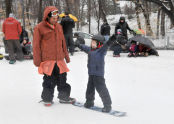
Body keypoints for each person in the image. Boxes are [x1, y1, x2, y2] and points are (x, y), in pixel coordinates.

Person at [33, 6, 75, 106]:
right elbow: (36, 45)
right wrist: (37, 61)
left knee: (62, 78)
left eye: (56, 18)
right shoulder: (39, 28)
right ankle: (47, 99)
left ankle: (64, 97)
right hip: (48, 60)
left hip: (59, 59)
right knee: (49, 80)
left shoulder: (59, 27)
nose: (55, 20)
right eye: (53, 18)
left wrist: (66, 56)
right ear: (47, 17)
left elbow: (63, 42)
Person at [75, 34, 116, 113]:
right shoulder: (90, 50)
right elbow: (84, 47)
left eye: (94, 43)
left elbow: (107, 45)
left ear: (99, 44)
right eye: (91, 42)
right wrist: (78, 44)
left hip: (98, 75)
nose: (92, 44)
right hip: (91, 74)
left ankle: (107, 105)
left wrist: (111, 40)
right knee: (89, 89)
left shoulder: (101, 51)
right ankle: (89, 102)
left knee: (102, 90)